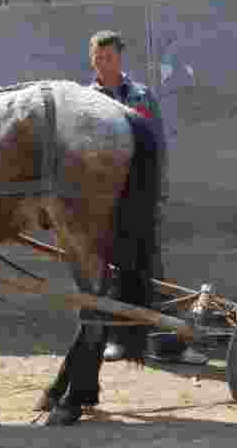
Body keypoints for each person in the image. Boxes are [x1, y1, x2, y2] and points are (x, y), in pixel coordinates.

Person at [86, 30, 208, 366]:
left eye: (108, 57)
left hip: (141, 196)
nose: (102, 64)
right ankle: (118, 341)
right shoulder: (86, 102)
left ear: (120, 58)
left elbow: (158, 147)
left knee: (152, 270)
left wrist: (157, 189)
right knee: (111, 273)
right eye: (97, 58)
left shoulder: (142, 96)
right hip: (106, 201)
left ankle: (169, 344)